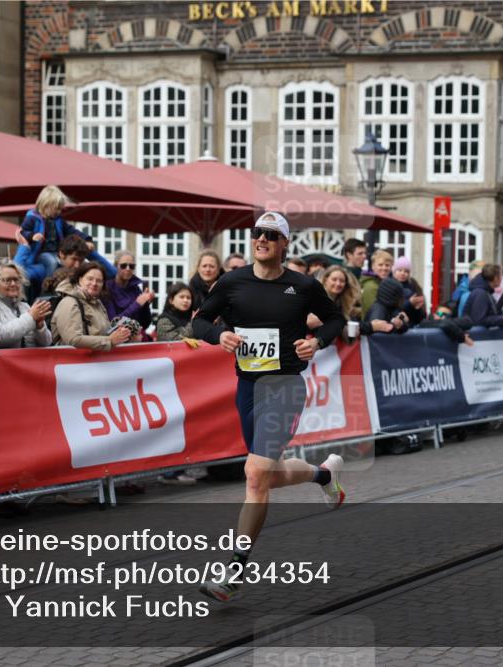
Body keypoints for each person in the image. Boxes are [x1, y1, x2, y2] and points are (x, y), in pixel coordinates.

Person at [192, 211, 347, 603]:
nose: (261, 239)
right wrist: (219, 333)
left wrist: (318, 342)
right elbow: (199, 322)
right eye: (257, 233)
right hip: (247, 388)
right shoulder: (231, 282)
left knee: (254, 474)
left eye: (271, 235)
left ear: (283, 244)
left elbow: (335, 319)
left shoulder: (303, 285)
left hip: (285, 387)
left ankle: (234, 570)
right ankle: (323, 476)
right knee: (265, 474)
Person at [19, 185, 104, 281]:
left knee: (66, 265)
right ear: (46, 205)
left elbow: (72, 231)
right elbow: (23, 232)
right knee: (52, 263)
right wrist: (32, 236)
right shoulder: (32, 218)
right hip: (41, 253)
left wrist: (86, 239)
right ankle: (49, 284)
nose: (59, 212)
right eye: (56, 208)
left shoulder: (58, 220)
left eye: (60, 209)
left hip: (56, 252)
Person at [50, 262, 131, 351]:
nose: (94, 283)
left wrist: (122, 334)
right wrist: (109, 340)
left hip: (93, 363)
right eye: (90, 279)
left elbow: (102, 334)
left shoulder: (98, 303)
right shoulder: (69, 302)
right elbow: (72, 339)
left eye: (99, 281)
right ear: (80, 280)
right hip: (70, 362)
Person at [0, 262, 52, 349]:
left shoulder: (24, 306)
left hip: (28, 361)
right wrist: (30, 318)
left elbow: (46, 343)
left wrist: (40, 328)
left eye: (16, 280)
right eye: (8, 280)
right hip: (0, 361)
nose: (13, 284)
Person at [103, 250, 154, 330]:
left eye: (131, 266)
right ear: (116, 266)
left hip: (136, 337)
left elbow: (145, 324)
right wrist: (137, 304)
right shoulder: (107, 288)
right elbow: (113, 323)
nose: (128, 269)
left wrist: (146, 304)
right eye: (123, 266)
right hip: (118, 339)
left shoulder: (135, 288)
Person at [463, 264, 503, 329]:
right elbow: (479, 320)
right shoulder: (481, 293)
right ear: (496, 278)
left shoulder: (485, 291)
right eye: (501, 276)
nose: (502, 279)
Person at [391, 256, 426, 324]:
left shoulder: (414, 286)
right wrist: (409, 303)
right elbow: (394, 309)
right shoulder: (390, 286)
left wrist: (418, 308)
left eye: (406, 271)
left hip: (413, 322)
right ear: (394, 271)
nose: (402, 273)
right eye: (400, 270)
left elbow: (421, 314)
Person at [360, 249, 394, 315]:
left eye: (387, 265)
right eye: (380, 265)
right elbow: (373, 312)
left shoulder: (387, 284)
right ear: (373, 266)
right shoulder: (371, 286)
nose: (384, 268)